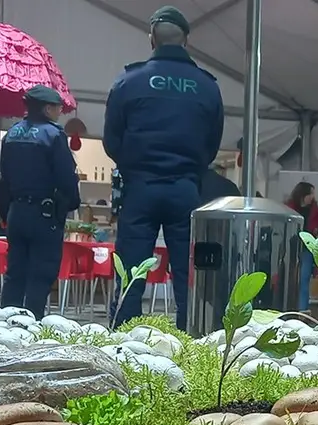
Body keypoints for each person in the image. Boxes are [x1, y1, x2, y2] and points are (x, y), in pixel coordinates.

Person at [105, 5, 224, 329]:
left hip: (140, 188)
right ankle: (191, 343)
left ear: (152, 38)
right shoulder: (207, 85)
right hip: (185, 188)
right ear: (186, 40)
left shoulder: (129, 80)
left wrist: (134, 166)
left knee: (131, 272)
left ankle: (124, 346)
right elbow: (212, 144)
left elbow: (111, 141)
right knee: (189, 277)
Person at [0, 85, 81, 319]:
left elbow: (3, 180)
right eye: (57, 108)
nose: (59, 113)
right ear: (46, 108)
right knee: (40, 273)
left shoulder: (11, 134)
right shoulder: (53, 135)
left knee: (15, 272)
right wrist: (69, 204)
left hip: (16, 212)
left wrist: (6, 213)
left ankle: (5, 324)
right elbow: (65, 178)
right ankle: (30, 326)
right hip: (44, 214)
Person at [285, 181, 318, 312]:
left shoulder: (315, 210)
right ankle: (289, 308)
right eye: (311, 193)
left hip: (307, 248)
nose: (313, 196)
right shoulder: (289, 208)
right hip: (290, 248)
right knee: (290, 280)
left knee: (304, 280)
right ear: (303, 194)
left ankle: (302, 311)